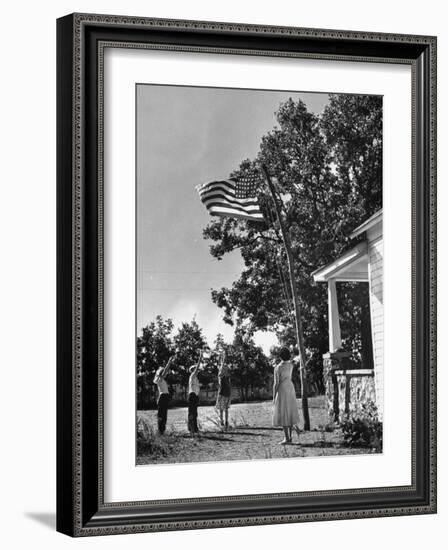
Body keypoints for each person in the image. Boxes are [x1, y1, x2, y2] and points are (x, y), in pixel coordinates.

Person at [272, 346, 300, 444]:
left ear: (280, 356)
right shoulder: (291, 365)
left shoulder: (278, 367)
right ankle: (290, 436)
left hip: (282, 389)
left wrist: (273, 396)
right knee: (290, 410)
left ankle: (286, 438)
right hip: (290, 387)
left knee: (283, 412)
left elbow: (276, 383)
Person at [153, 354, 175, 435]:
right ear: (161, 373)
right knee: (162, 415)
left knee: (164, 415)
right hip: (163, 397)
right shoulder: (160, 379)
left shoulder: (162, 380)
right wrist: (169, 361)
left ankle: (162, 431)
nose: (166, 373)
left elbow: (165, 371)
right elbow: (166, 369)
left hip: (164, 397)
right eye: (164, 372)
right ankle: (160, 431)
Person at [187, 350, 203, 435]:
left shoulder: (196, 378)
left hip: (195, 396)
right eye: (196, 369)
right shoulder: (192, 375)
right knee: (192, 412)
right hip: (192, 395)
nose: (198, 371)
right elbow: (197, 366)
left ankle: (194, 428)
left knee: (195, 413)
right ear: (193, 370)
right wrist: (200, 357)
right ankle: (191, 429)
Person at [215, 351, 231, 429]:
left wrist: (223, 357)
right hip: (224, 393)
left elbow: (222, 367)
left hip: (224, 394)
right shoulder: (222, 376)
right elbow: (221, 367)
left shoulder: (225, 376)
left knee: (224, 409)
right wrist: (223, 357)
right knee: (224, 409)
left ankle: (224, 422)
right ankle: (224, 422)